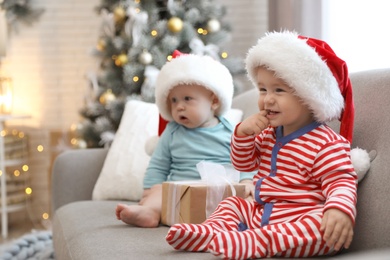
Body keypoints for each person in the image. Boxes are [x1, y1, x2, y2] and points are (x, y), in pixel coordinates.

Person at [165, 31, 358, 259]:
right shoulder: (268, 133)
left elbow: (341, 180)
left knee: (320, 226)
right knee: (234, 205)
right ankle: (211, 232)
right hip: (259, 213)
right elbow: (242, 162)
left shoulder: (326, 143)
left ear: (309, 97)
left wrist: (339, 209)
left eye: (279, 90)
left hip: (297, 220)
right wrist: (243, 135)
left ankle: (256, 242)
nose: (267, 99)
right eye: (263, 89)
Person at [115, 50, 255, 228]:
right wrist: (150, 189)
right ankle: (150, 212)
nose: (179, 106)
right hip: (180, 191)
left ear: (214, 101)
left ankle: (238, 220)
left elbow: (246, 161)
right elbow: (159, 163)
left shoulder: (232, 131)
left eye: (187, 99)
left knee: (246, 198)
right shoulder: (172, 132)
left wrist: (246, 181)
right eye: (174, 100)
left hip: (219, 189)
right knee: (159, 192)